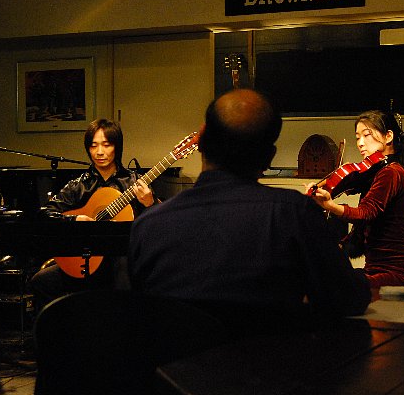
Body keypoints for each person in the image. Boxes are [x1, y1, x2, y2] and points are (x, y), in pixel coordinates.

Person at [128, 89, 371, 336]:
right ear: (268, 157)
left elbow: (141, 316)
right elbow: (347, 299)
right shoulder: (295, 214)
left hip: (176, 360)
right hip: (268, 359)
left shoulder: (148, 225)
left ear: (202, 140)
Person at [29, 118, 156, 311]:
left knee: (124, 271)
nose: (99, 152)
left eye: (106, 145)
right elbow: (44, 214)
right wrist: (74, 219)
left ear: (117, 147)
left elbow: (157, 224)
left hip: (123, 262)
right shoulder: (78, 185)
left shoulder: (135, 182)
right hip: (85, 261)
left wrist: (149, 204)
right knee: (41, 281)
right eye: (93, 145)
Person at [307, 110, 404, 290]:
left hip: (396, 275)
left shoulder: (392, 172)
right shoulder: (375, 174)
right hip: (374, 270)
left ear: (388, 136)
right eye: (357, 137)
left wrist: (331, 206)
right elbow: (362, 231)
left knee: (330, 288)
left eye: (367, 135)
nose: (360, 143)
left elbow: (366, 213)